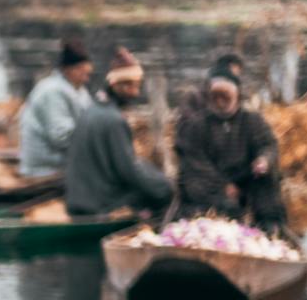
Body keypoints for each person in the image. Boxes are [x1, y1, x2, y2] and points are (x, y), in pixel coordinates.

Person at [64, 48, 173, 219]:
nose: (135, 93)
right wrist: (164, 185)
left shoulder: (91, 109)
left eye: (137, 86)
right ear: (115, 85)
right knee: (161, 191)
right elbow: (128, 169)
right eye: (130, 86)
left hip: (80, 198)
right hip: (99, 202)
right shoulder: (114, 120)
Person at [174, 65, 286, 232]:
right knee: (193, 185)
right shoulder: (198, 126)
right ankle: (219, 221)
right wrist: (222, 186)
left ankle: (270, 226)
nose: (220, 101)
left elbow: (268, 144)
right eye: (215, 97)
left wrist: (264, 159)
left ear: (237, 96)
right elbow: (195, 164)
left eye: (225, 96)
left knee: (267, 179)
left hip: (245, 178)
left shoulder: (252, 121)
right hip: (211, 184)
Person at [18, 38, 95, 177]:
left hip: (67, 164)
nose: (86, 76)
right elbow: (61, 137)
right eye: (80, 70)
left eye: (87, 71)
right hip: (44, 168)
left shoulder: (80, 90)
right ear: (67, 70)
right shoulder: (53, 91)